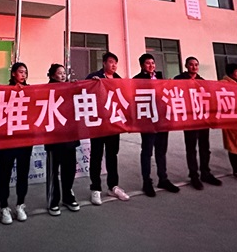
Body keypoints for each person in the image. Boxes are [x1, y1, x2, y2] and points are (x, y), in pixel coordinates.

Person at [86, 52, 130, 204]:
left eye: (115, 63)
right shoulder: (94, 77)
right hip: (98, 125)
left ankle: (113, 186)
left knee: (112, 156)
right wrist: (91, 84)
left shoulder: (118, 80)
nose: (114, 65)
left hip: (113, 124)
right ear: (104, 63)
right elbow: (84, 93)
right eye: (111, 62)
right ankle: (95, 188)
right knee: (96, 156)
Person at [134, 53, 180, 196]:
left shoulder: (161, 78)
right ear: (142, 65)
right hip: (148, 121)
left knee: (161, 151)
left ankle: (163, 178)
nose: (151, 66)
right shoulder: (136, 79)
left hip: (161, 120)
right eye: (148, 63)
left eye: (153, 63)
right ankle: (147, 181)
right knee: (147, 151)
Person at [174, 56, 222, 190]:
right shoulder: (179, 80)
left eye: (196, 64)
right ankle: (194, 175)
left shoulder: (202, 81)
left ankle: (206, 172)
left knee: (205, 147)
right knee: (191, 148)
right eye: (191, 64)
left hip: (202, 118)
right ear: (186, 66)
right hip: (189, 119)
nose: (194, 67)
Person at [0, 62, 34, 225]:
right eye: (20, 72)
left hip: (25, 139)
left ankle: (20, 204)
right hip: (7, 139)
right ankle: (4, 206)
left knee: (22, 173)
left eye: (25, 72)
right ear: (13, 73)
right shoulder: (4, 91)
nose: (23, 75)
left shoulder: (31, 91)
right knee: (4, 174)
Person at [44, 63, 81, 216]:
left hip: (70, 137)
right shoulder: (46, 90)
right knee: (54, 171)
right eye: (59, 73)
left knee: (69, 169)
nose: (63, 75)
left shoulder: (70, 88)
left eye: (64, 72)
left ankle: (67, 196)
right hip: (54, 139)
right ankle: (53, 200)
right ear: (52, 75)